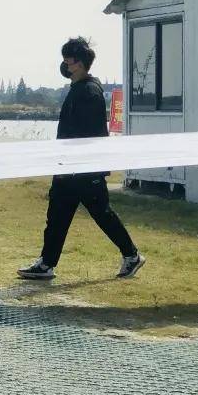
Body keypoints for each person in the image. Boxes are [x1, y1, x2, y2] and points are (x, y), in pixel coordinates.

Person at [18, 37, 145, 281]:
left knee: (102, 213)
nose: (65, 63)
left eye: (69, 59)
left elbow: (87, 134)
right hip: (68, 167)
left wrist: (78, 164)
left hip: (85, 169)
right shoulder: (77, 88)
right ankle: (47, 263)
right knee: (56, 215)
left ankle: (131, 255)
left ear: (79, 62)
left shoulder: (89, 91)